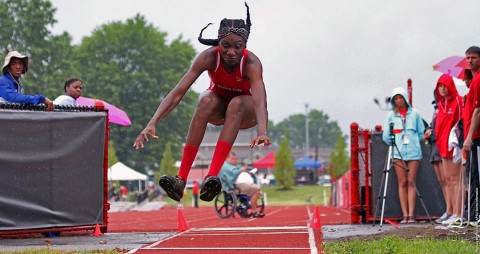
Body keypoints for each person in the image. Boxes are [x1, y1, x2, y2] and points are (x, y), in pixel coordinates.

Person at [133, 3, 270, 202]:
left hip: (245, 112)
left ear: (245, 46)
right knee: (205, 100)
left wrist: (262, 131)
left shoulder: (252, 64)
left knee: (237, 103)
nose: (231, 52)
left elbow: (260, 100)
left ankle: (211, 177)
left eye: (237, 47)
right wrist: (153, 121)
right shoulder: (208, 57)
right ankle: (180, 180)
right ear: (218, 44)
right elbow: (178, 91)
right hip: (218, 108)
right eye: (226, 46)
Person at [382, 87, 425, 224]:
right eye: (396, 98)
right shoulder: (391, 116)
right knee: (402, 182)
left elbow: (420, 133)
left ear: (405, 99)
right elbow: (385, 136)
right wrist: (395, 142)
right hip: (398, 152)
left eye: (400, 98)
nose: (399, 101)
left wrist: (416, 141)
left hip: (413, 152)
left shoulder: (415, 113)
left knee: (412, 182)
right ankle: (404, 214)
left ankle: (411, 215)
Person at [431, 74, 464, 225]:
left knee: (457, 180)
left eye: (445, 86)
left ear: (450, 86)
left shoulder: (457, 101)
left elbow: (461, 121)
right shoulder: (440, 105)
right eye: (440, 86)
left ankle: (459, 212)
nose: (442, 89)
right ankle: (452, 211)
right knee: (449, 180)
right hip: (442, 146)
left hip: (454, 146)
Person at [462, 46, 480, 226]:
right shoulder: (473, 81)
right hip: (472, 137)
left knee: (475, 176)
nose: (470, 61)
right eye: (467, 58)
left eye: (473, 57)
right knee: (471, 175)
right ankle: (472, 213)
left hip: (476, 137)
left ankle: (475, 215)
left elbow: (478, 111)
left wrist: (468, 137)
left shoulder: (478, 80)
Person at [218, 153, 264, 217]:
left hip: (243, 184)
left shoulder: (235, 167)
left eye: (235, 159)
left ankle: (252, 208)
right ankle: (254, 211)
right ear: (227, 158)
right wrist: (240, 170)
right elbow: (231, 175)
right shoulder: (225, 166)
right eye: (232, 158)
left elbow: (238, 173)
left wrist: (249, 174)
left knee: (256, 190)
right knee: (256, 189)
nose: (234, 160)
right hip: (234, 187)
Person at [422, 97, 445, 223]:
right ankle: (449, 211)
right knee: (442, 181)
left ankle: (456, 212)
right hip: (434, 146)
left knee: (450, 181)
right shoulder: (436, 111)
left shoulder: (448, 106)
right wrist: (428, 133)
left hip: (443, 147)